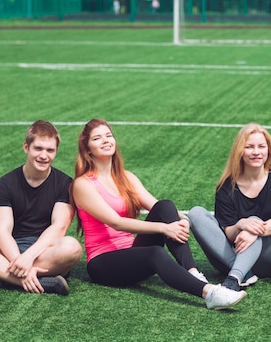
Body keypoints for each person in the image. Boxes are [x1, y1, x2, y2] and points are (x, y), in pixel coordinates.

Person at [70, 119, 246, 310]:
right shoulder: (83, 184)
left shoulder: (126, 177)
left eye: (108, 135)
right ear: (87, 150)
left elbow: (159, 208)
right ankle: (209, 293)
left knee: (165, 205)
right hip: (103, 263)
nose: (105, 140)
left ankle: (193, 273)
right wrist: (164, 228)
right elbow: (117, 223)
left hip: (132, 252)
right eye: (97, 138)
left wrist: (182, 220)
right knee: (155, 253)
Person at [0, 120, 82, 295]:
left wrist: (28, 257)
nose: (44, 156)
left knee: (72, 247)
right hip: (10, 250)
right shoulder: (4, 184)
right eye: (38, 148)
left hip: (45, 252)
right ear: (26, 147)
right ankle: (41, 282)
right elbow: (2, 231)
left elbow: (58, 227)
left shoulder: (65, 184)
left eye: (50, 150)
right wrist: (18, 260)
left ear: (56, 151)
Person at [188, 123, 271, 291]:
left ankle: (233, 278)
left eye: (261, 146)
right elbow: (229, 233)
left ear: (269, 150)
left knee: (254, 220)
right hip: (231, 255)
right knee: (195, 213)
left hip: (270, 259)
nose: (256, 152)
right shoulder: (226, 186)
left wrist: (252, 228)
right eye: (249, 147)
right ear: (240, 151)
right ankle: (241, 273)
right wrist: (241, 225)